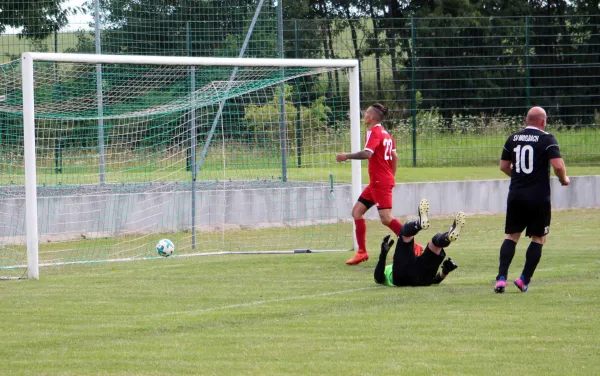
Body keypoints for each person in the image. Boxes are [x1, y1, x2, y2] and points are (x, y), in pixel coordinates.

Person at [494, 106, 570, 293]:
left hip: (516, 195)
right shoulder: (547, 139)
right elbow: (558, 165)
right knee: (539, 238)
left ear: (526, 120)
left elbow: (504, 166)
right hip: (538, 197)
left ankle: (501, 278)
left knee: (512, 236)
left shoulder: (513, 138)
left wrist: (519, 177)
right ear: (543, 122)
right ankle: (523, 280)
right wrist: (563, 179)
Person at [336, 103, 412, 265]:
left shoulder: (373, 132)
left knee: (386, 218)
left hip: (380, 182)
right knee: (357, 212)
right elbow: (395, 157)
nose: (364, 116)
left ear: (371, 117)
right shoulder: (387, 134)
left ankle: (411, 244)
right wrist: (391, 176)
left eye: (366, 114)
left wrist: (346, 156)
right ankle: (362, 252)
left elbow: (367, 154)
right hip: (378, 181)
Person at [374, 199, 466, 287]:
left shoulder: (389, 269)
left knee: (406, 234)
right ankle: (446, 237)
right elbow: (434, 281)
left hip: (409, 278)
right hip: (421, 279)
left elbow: (378, 278)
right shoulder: (396, 265)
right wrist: (445, 272)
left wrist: (383, 255)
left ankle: (422, 225)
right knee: (435, 243)